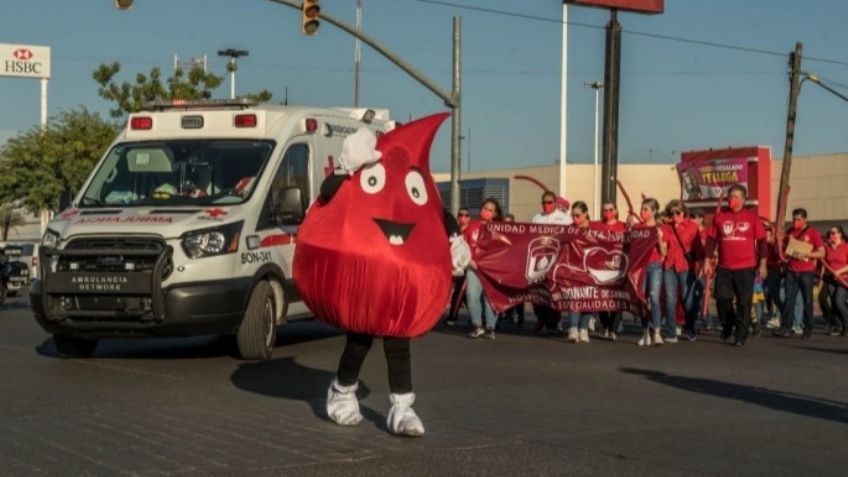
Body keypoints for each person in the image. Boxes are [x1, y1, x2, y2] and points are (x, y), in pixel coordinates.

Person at [703, 184, 768, 347]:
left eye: (736, 197)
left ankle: (740, 334)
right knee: (722, 299)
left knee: (744, 303)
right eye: (730, 197)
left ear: (744, 199)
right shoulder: (720, 217)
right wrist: (706, 260)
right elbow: (711, 240)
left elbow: (762, 242)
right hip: (724, 267)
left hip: (746, 268)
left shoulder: (753, 219)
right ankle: (728, 323)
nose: (732, 200)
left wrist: (763, 264)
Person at [774, 208, 825, 338]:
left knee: (808, 300)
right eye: (794, 219)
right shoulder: (790, 231)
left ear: (804, 219)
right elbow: (783, 248)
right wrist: (779, 241)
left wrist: (807, 254)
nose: (795, 222)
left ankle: (808, 328)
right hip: (791, 270)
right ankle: (786, 327)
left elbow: (821, 252)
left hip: (806, 272)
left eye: (798, 219)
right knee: (789, 299)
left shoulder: (813, 233)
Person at [661, 200, 702, 342]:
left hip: (685, 266)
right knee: (670, 299)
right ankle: (671, 332)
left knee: (687, 301)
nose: (675, 216)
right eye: (671, 213)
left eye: (677, 212)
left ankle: (690, 326)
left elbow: (698, 249)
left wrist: (701, 265)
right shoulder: (666, 227)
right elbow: (663, 247)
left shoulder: (692, 226)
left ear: (684, 212)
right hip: (669, 266)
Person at [531, 191, 571, 334]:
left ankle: (552, 323)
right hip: (539, 259)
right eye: (544, 202)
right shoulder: (536, 217)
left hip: (556, 259)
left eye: (549, 202)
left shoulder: (565, 218)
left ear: (555, 203)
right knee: (537, 291)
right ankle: (541, 318)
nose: (546, 205)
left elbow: (570, 238)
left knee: (553, 291)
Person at [465, 198, 503, 339]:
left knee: (490, 299)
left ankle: (490, 327)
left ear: (495, 213)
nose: (487, 211)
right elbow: (464, 246)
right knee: (472, 296)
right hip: (473, 266)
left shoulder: (500, 228)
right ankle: (477, 325)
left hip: (492, 270)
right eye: (485, 208)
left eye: (490, 210)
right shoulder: (472, 226)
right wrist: (470, 261)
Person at [631, 197, 667, 347]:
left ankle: (657, 332)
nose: (642, 212)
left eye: (646, 209)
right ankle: (645, 332)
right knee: (642, 299)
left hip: (655, 266)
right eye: (642, 208)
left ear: (654, 212)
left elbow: (664, 252)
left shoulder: (660, 228)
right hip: (641, 267)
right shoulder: (638, 228)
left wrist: (659, 238)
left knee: (654, 298)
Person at [566, 201, 595, 343]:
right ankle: (573, 328)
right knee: (575, 297)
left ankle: (583, 329)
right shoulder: (570, 229)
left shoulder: (596, 227)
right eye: (573, 216)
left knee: (588, 298)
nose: (575, 219)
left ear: (585, 214)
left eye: (578, 216)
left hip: (591, 270)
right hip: (574, 269)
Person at [597, 201, 626, 341]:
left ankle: (613, 329)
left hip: (618, 267)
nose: (607, 213)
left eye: (610, 210)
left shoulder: (623, 226)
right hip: (600, 266)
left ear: (615, 211)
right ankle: (606, 325)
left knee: (617, 297)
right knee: (600, 297)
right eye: (605, 210)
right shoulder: (597, 226)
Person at [445, 208, 472, 326]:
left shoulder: (472, 229)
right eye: (461, 215)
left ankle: (453, 316)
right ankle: (475, 315)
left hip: (466, 265)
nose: (463, 217)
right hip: (452, 263)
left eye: (466, 215)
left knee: (460, 291)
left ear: (469, 218)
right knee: (464, 294)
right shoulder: (454, 229)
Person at [499, 213, 526, 326]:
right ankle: (508, 314)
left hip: (516, 267)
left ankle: (520, 315)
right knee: (505, 292)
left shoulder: (519, 235)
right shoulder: (499, 235)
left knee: (518, 293)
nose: (507, 225)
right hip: (504, 267)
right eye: (505, 223)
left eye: (510, 223)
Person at [823, 225, 848, 336]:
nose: (831, 235)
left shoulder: (846, 247)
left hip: (843, 279)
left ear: (840, 234)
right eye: (830, 233)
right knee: (834, 302)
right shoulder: (827, 247)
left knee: (839, 301)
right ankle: (838, 327)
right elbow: (823, 261)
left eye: (834, 233)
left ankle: (847, 325)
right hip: (830, 278)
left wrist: (839, 272)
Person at [762, 225, 785, 330]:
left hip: (773, 271)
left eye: (768, 235)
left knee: (774, 295)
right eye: (764, 235)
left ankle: (782, 313)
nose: (766, 237)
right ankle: (769, 314)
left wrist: (776, 242)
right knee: (764, 295)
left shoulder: (774, 245)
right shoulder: (760, 245)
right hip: (762, 272)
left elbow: (778, 255)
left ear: (771, 236)